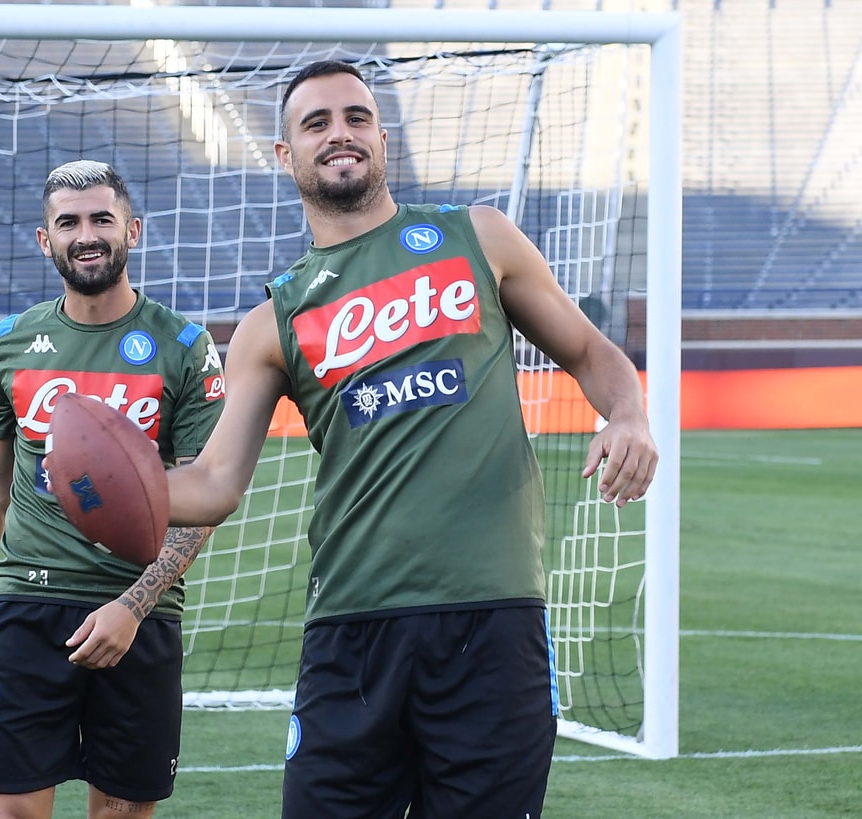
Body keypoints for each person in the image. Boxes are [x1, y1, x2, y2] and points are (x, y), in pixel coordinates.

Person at [164, 60, 659, 818]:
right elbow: (215, 482)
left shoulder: (478, 237)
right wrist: (100, 488)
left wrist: (628, 414)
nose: (340, 133)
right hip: (351, 626)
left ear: (382, 138)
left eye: (357, 117)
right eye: (317, 123)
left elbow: (592, 352)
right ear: (285, 154)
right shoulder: (271, 322)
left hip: (492, 614)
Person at [0, 159, 224, 819]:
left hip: (138, 617)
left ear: (132, 230)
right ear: (47, 241)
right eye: (68, 223)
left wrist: (132, 605)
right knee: (13, 812)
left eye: (102, 219)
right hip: (28, 606)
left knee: (121, 812)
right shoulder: (13, 342)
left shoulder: (184, 346)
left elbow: (205, 499)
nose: (87, 235)